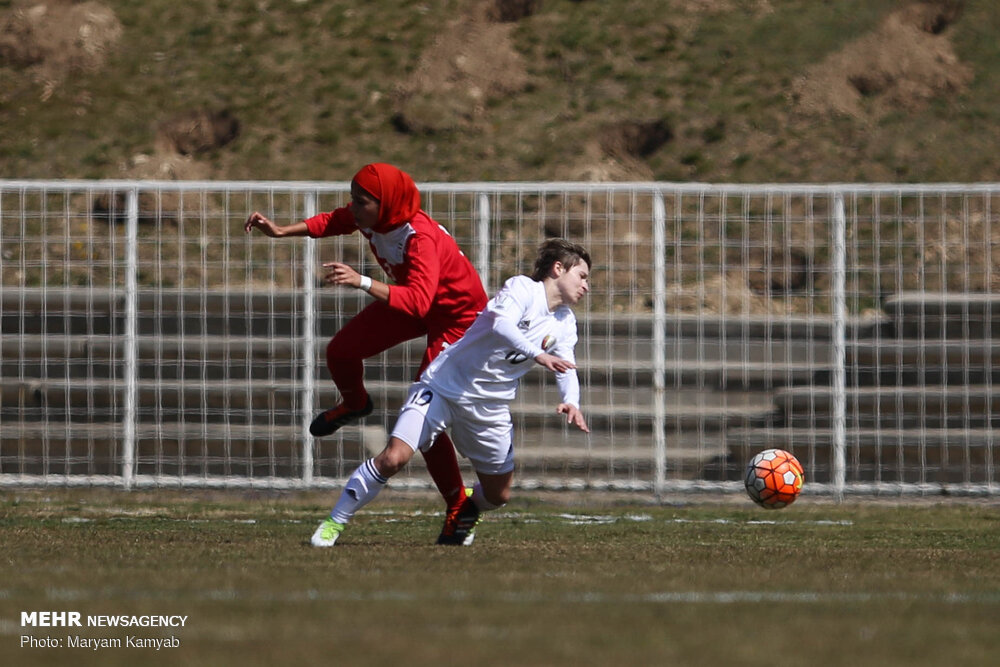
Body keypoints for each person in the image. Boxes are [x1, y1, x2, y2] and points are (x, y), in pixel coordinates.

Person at [244, 163, 488, 535]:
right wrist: (280, 231)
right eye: (353, 199)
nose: (353, 208)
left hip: (457, 319)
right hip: (415, 302)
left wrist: (361, 281)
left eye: (361, 201)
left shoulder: (419, 237)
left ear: (387, 203)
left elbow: (420, 302)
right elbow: (332, 220)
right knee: (341, 351)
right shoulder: (371, 216)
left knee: (422, 419)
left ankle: (459, 505)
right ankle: (356, 404)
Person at [310, 238, 591, 547]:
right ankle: (333, 522)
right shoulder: (523, 288)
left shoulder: (565, 323)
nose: (586, 286)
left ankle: (467, 509)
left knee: (499, 495)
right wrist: (536, 353)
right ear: (558, 269)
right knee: (393, 458)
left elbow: (566, 366)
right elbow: (501, 324)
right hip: (442, 386)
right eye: (582, 276)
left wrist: (571, 401)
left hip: (490, 409)